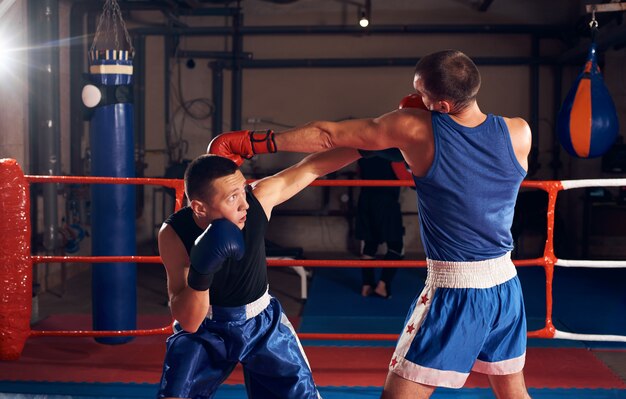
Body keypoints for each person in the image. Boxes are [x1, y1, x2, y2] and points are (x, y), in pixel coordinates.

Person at [207, 49, 533, 399]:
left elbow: (328, 134)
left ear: (440, 106)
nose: (415, 101)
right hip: (505, 287)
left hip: (456, 289)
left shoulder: (416, 129)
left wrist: (255, 142)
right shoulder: (519, 132)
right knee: (512, 393)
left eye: (422, 95)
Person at [157, 149, 361, 399]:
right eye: (233, 197)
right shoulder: (174, 232)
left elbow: (311, 167)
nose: (244, 203)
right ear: (199, 208)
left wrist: (368, 147)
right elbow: (189, 322)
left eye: (242, 189)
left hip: (261, 325)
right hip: (205, 329)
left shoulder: (258, 200)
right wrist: (201, 271)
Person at [355, 156, 405, 299]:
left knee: (370, 244)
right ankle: (382, 286)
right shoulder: (394, 152)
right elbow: (405, 175)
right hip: (386, 201)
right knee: (396, 246)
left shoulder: (364, 149)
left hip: (365, 199)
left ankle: (366, 285)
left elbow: (359, 172)